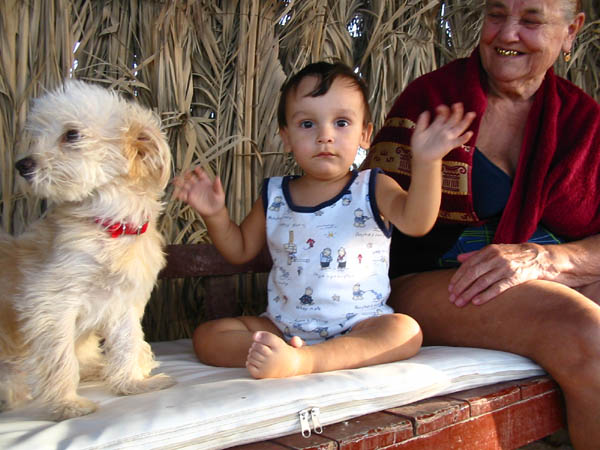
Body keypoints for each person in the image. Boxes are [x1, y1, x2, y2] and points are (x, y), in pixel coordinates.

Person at [362, 1, 600, 448]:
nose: (507, 34)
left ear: (571, 31)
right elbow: (368, 210)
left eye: (531, 20)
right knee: (587, 331)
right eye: (496, 15)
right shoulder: (433, 102)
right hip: (431, 279)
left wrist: (546, 259)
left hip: (535, 274)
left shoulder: (582, 121)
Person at [174, 61, 475, 379]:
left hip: (359, 325)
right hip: (282, 326)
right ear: (286, 137)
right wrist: (215, 215)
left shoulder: (372, 187)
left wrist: (427, 163)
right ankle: (282, 351)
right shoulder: (275, 195)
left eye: (341, 122)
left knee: (405, 331)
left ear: (365, 134)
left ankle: (303, 361)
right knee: (208, 336)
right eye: (307, 124)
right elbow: (239, 250)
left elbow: (417, 222)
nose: (325, 136)